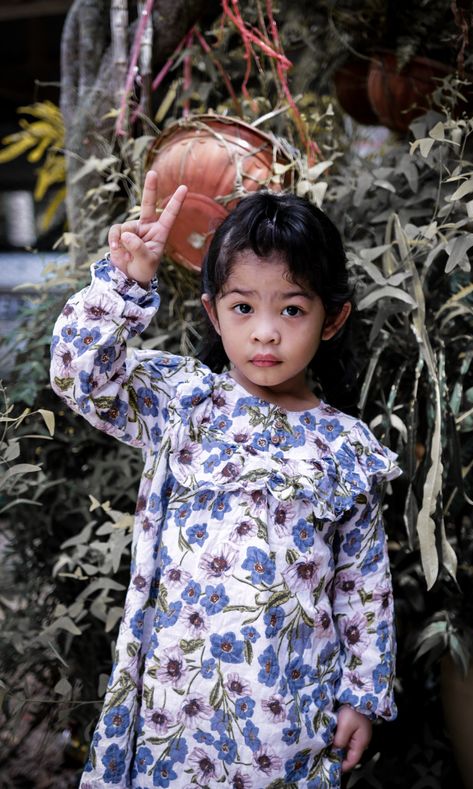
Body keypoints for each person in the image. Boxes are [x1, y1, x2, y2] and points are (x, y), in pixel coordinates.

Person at [50, 171, 401, 788]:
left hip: (289, 721)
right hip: (170, 714)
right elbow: (80, 374)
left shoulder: (347, 448)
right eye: (244, 306)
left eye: (292, 308)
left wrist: (361, 697)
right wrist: (126, 281)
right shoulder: (182, 402)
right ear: (214, 312)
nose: (266, 331)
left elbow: (363, 588)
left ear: (333, 318)